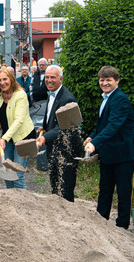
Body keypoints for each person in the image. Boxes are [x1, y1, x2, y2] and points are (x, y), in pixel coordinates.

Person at [84, 66, 134, 229]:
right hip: (110, 152)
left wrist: (94, 143)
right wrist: (92, 136)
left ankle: (122, 226)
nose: (104, 83)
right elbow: (104, 124)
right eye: (102, 80)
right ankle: (101, 221)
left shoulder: (120, 99)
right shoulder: (106, 97)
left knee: (123, 191)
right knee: (105, 188)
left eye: (108, 80)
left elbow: (114, 126)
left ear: (117, 81)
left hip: (124, 153)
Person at [36, 65, 82, 202]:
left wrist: (45, 137)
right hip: (54, 148)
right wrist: (44, 127)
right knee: (55, 185)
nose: (49, 80)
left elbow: (64, 126)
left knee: (65, 189)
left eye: (53, 77)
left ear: (61, 79)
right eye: (47, 77)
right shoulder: (52, 93)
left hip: (66, 150)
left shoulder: (68, 99)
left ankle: (67, 218)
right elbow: (51, 116)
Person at [0, 68, 35, 189]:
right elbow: (1, 112)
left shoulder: (20, 95)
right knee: (7, 172)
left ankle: (20, 202)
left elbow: (19, 120)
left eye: (5, 79)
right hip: (8, 136)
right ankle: (11, 198)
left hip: (23, 137)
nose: (2, 82)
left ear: (11, 79)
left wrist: (4, 138)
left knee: (17, 173)